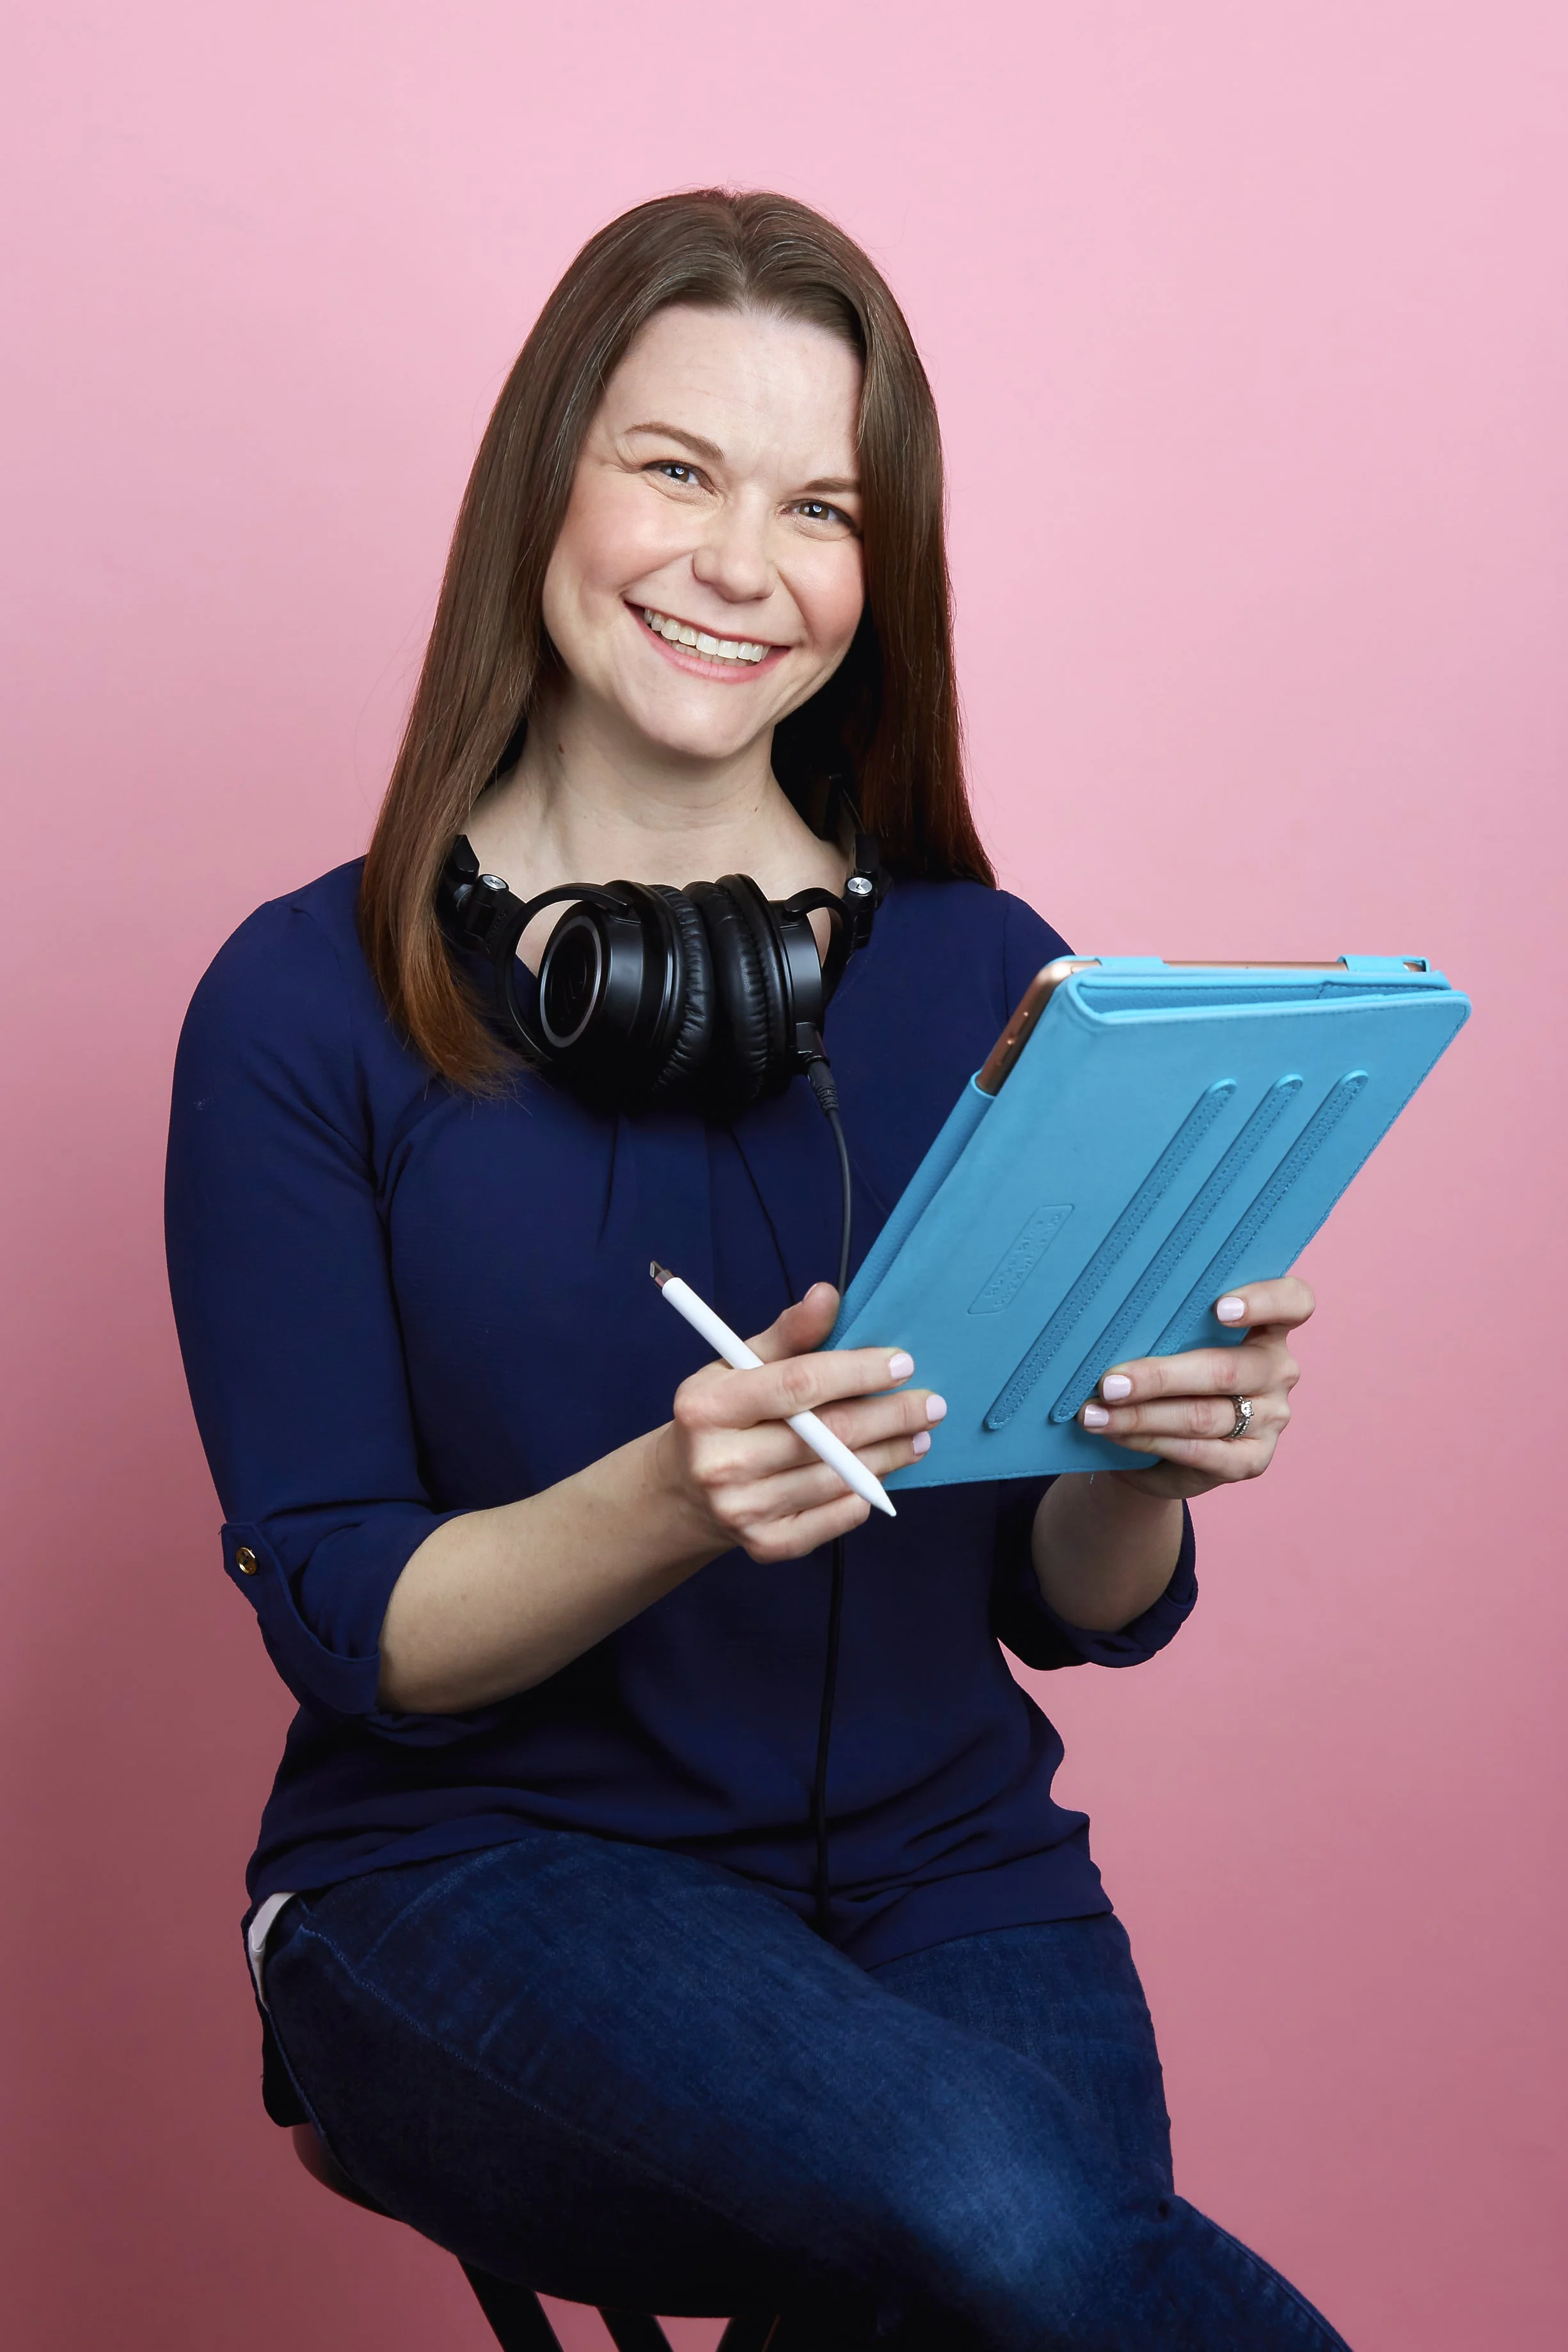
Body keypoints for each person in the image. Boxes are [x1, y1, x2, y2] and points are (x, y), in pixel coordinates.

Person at [166, 189, 1343, 2349]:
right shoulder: (302, 998)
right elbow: (354, 1625)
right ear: (547, 479)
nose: (744, 564)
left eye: (821, 504)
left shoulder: (1000, 977)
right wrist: (672, 1493)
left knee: (1019, 2282)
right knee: (1011, 2222)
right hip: (471, 1874)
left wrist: (1155, 1452)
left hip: (945, 1864)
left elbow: (1062, 1603)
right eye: (678, 469)